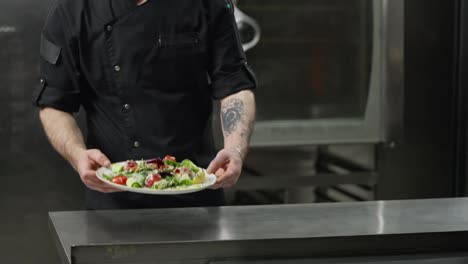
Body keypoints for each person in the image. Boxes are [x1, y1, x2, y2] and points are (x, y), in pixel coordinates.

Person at [33, 0, 257, 209]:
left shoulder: (207, 4)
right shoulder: (71, 11)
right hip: (113, 195)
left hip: (198, 189)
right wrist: (77, 154)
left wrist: (235, 148)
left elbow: (234, 85)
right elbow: (54, 104)